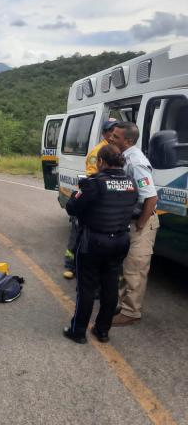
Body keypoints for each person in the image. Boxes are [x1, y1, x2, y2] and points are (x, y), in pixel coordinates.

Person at [62, 145, 138, 344]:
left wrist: (77, 192)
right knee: (110, 286)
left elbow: (72, 208)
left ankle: (78, 331)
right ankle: (102, 330)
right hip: (120, 241)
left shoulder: (94, 183)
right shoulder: (131, 182)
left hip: (94, 242)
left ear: (101, 162)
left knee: (86, 288)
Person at [109, 122, 159, 326]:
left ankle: (131, 312)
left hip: (141, 222)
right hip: (128, 220)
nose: (111, 138)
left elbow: (151, 197)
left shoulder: (136, 162)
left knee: (134, 268)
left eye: (116, 136)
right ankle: (123, 304)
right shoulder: (125, 158)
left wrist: (140, 224)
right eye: (112, 134)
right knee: (124, 267)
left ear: (128, 141)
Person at [63, 119, 118, 279]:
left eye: (116, 132)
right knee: (78, 230)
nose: (114, 135)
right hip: (93, 196)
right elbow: (92, 176)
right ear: (105, 133)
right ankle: (70, 265)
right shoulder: (98, 151)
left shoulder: (116, 150)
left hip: (107, 199)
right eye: (111, 131)